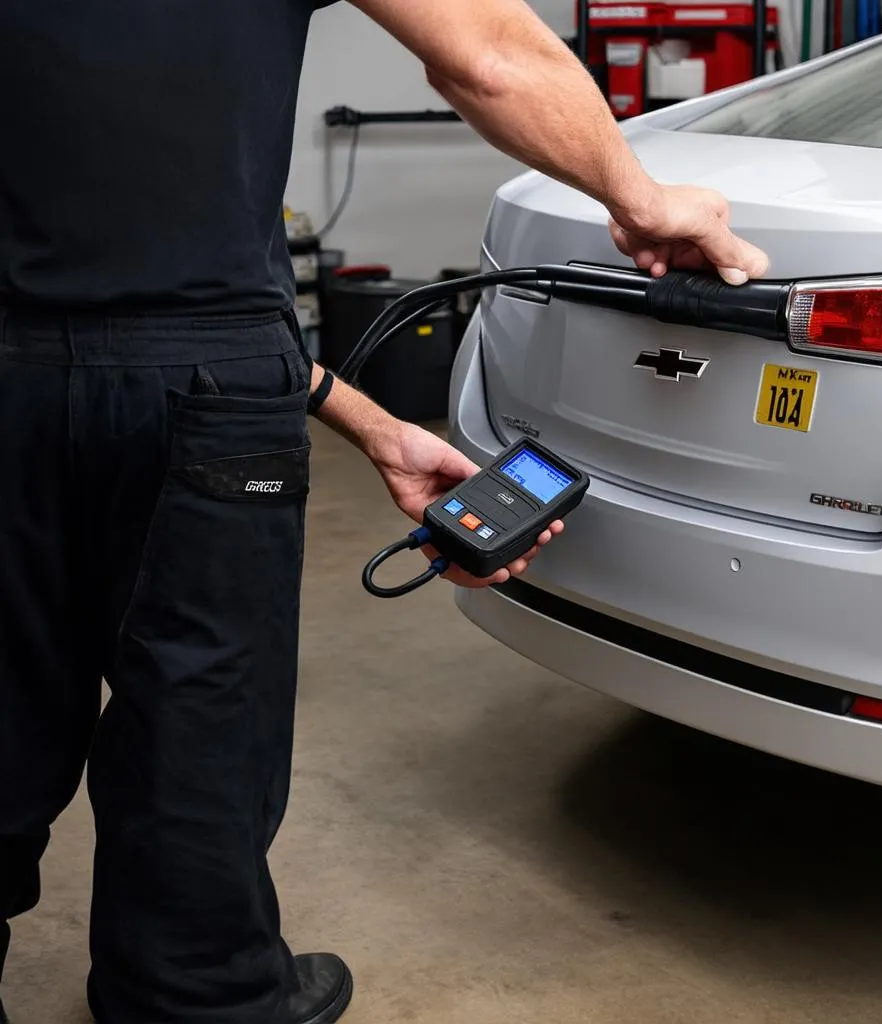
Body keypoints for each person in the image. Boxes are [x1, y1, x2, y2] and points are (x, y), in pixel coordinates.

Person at [0, 0, 769, 1021]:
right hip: (209, 373)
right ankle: (192, 993)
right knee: (200, 720)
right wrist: (641, 199)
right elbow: (489, 55)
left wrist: (366, 420)